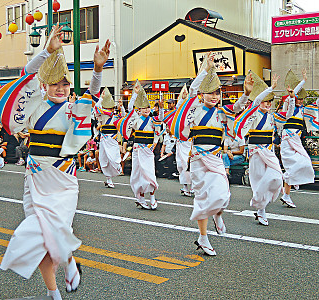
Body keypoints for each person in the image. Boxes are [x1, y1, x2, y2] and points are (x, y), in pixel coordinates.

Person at [0, 26, 111, 299]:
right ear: (45, 86)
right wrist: (47, 51)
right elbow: (26, 74)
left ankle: (69, 261)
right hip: (35, 178)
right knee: (40, 240)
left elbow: (95, 93)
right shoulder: (34, 106)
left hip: (63, 180)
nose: (61, 89)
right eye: (55, 84)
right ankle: (54, 292)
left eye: (65, 84)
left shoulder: (76, 109)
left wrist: (98, 69)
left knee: (55, 230)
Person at [168, 55, 251, 255]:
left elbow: (238, 107)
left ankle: (218, 214)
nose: (214, 97)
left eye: (217, 93)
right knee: (202, 198)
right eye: (210, 93)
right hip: (198, 160)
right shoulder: (194, 109)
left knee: (223, 194)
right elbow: (192, 92)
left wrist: (246, 93)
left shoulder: (222, 112)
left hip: (215, 159)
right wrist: (206, 69)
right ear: (202, 94)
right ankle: (203, 237)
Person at [234, 71, 281, 227]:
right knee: (258, 180)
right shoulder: (252, 113)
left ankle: (259, 202)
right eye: (265, 101)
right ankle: (261, 210)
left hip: (269, 150)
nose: (267, 104)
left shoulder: (271, 116)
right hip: (255, 151)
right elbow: (257, 100)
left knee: (276, 177)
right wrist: (271, 87)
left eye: (270, 101)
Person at [277, 69, 319, 208]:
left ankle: (286, 194)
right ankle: (286, 191)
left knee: (303, 163)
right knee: (296, 165)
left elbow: (316, 105)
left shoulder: (303, 110)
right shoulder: (289, 109)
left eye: (301, 98)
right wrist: (303, 81)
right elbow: (292, 99)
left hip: (296, 140)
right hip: (288, 140)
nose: (300, 100)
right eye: (297, 98)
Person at [116, 84, 164, 210]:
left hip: (148, 150)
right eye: (143, 108)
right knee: (138, 174)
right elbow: (130, 108)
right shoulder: (136, 118)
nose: (146, 110)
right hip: (137, 149)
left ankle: (152, 196)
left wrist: (162, 108)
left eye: (148, 108)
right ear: (139, 109)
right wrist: (135, 94)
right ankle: (141, 198)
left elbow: (161, 120)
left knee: (149, 173)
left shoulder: (153, 120)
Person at [94, 88, 125, 187]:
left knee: (114, 156)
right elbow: (96, 108)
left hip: (113, 138)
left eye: (111, 108)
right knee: (104, 159)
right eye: (108, 108)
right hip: (104, 139)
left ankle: (118, 168)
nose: (110, 110)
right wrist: (101, 99)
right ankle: (108, 179)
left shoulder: (116, 116)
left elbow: (124, 116)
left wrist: (122, 107)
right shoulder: (102, 116)